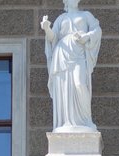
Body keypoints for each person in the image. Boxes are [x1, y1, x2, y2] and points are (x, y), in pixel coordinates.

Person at [40, 0, 102, 132]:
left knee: (79, 84)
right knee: (64, 89)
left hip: (78, 54)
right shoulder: (61, 18)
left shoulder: (86, 15)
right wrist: (46, 28)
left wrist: (87, 36)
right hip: (62, 55)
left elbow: (97, 30)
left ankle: (86, 121)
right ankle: (66, 122)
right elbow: (53, 38)